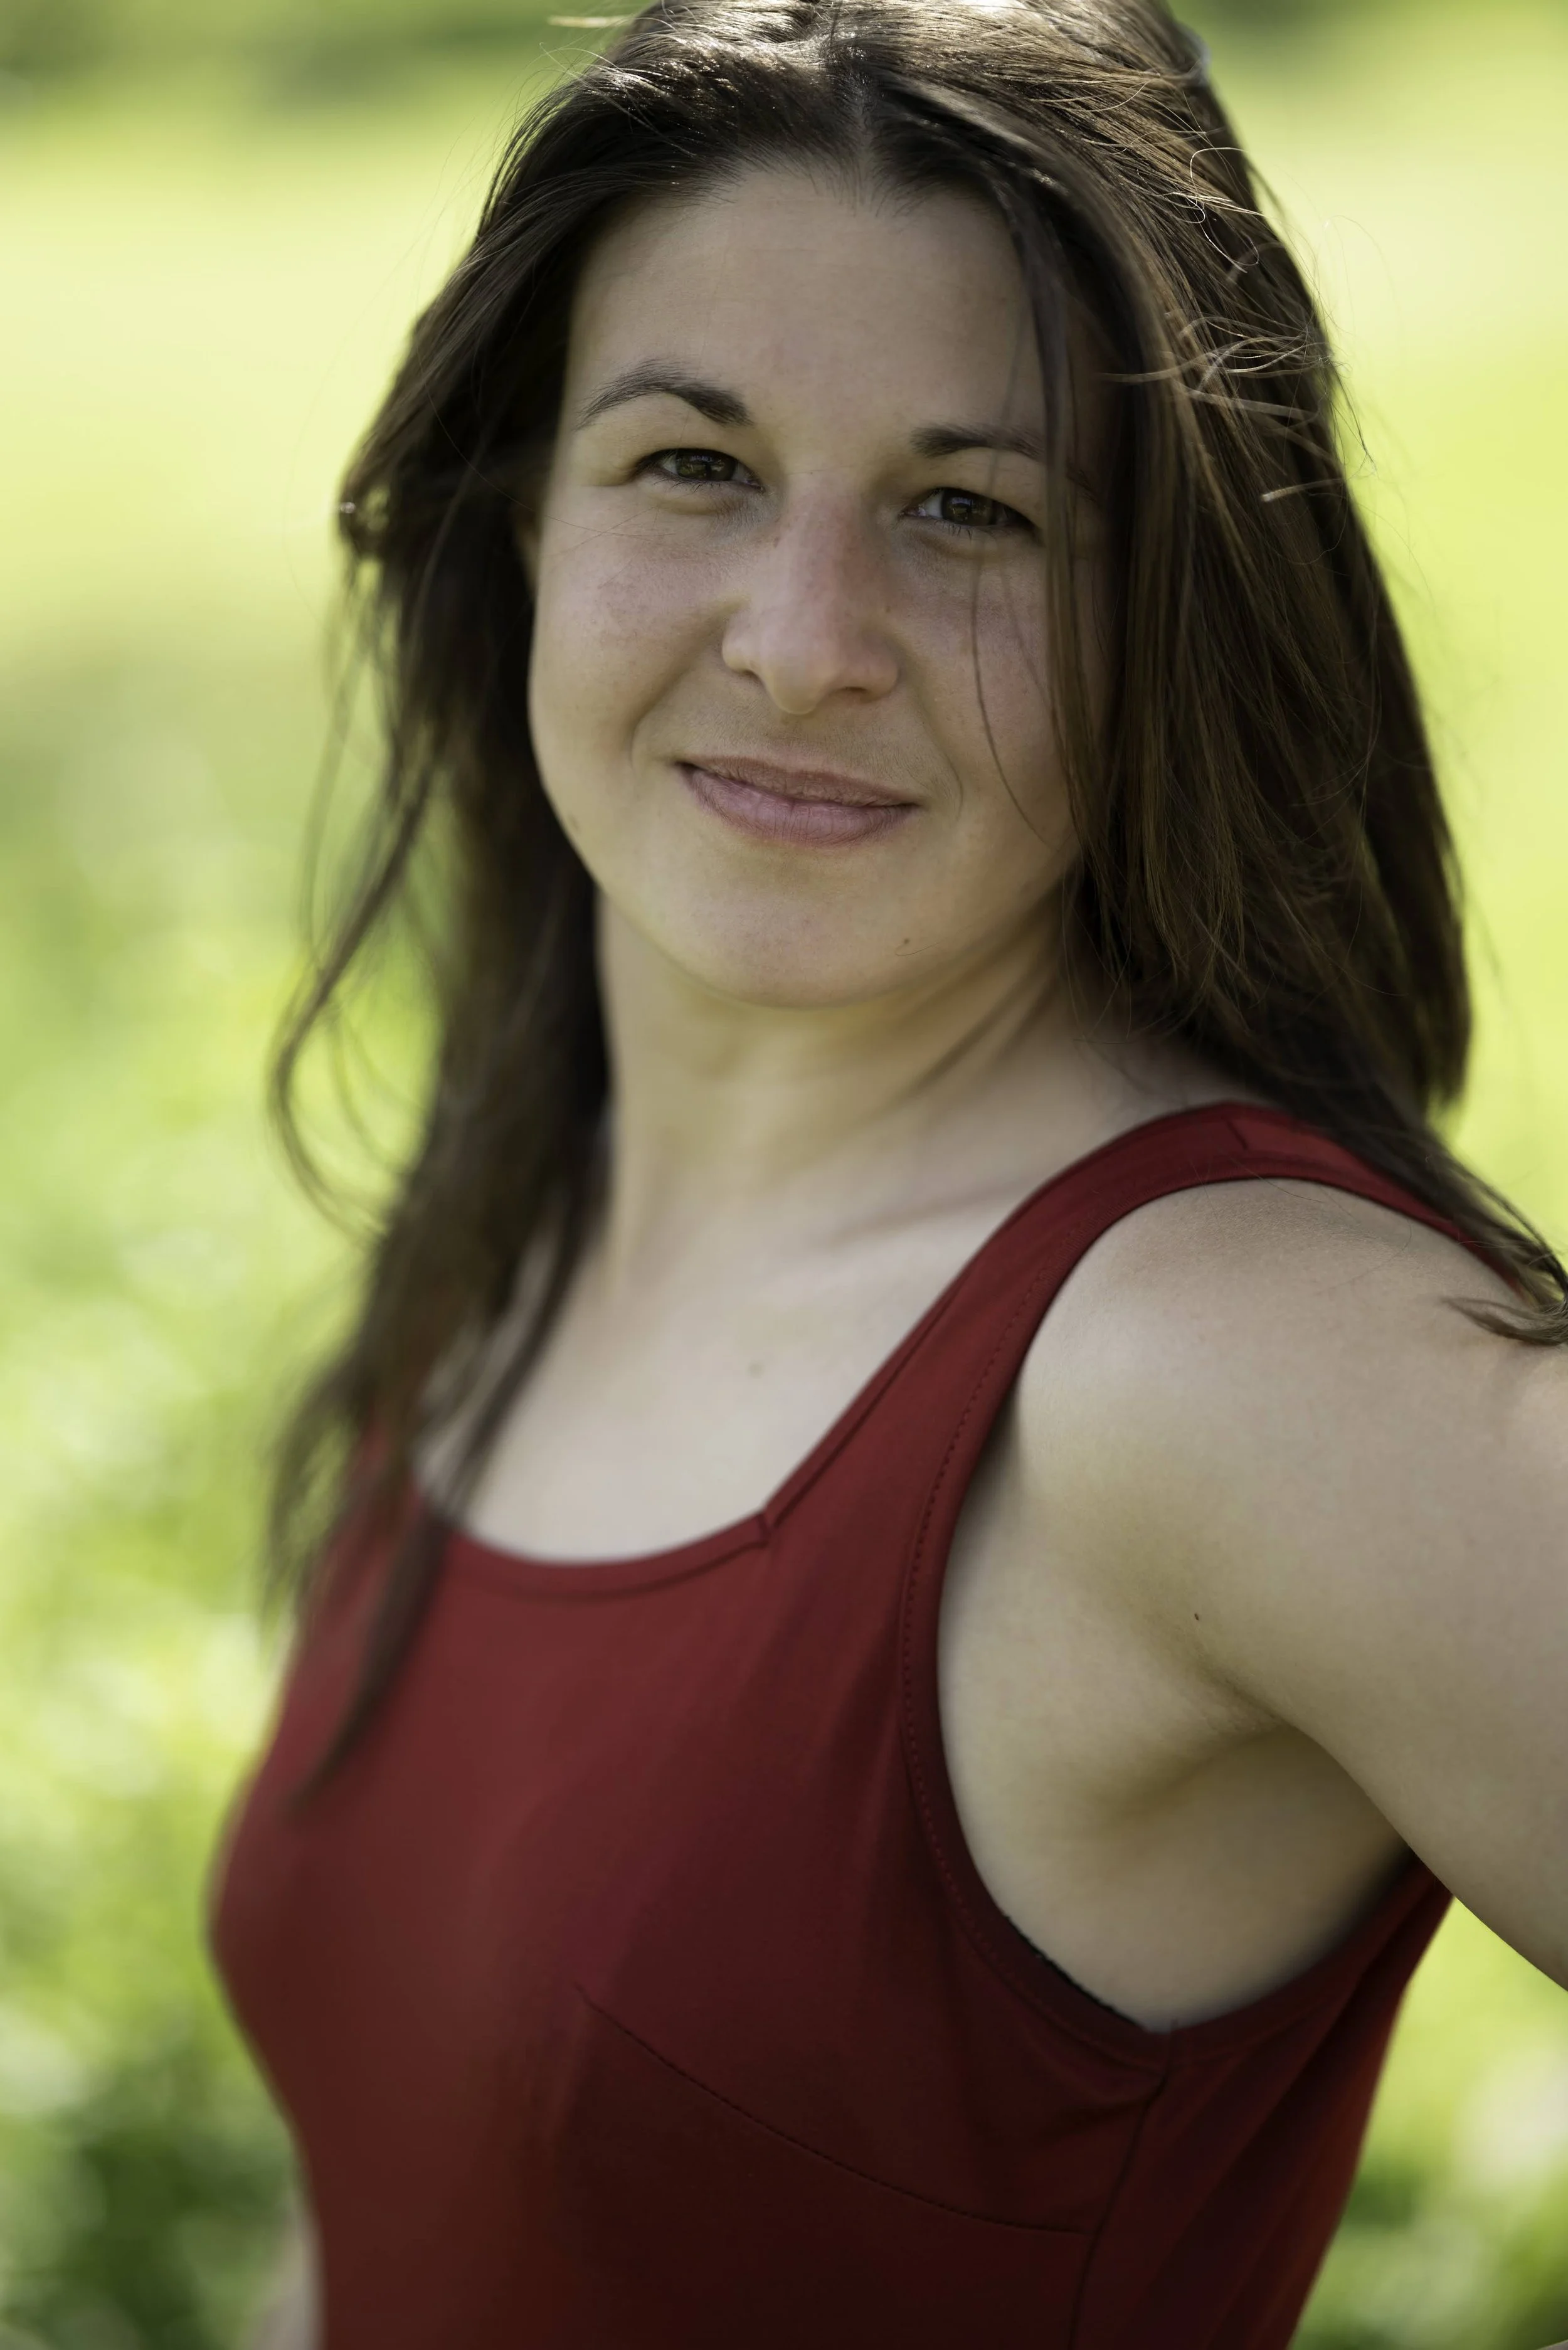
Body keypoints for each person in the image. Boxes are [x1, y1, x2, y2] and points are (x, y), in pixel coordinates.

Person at [209, 0, 1568, 2342]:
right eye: (692, 466)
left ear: (1173, 622)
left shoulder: (1226, 1362)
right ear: (519, 510)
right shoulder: (551, 1203)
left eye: (972, 511)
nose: (805, 642)